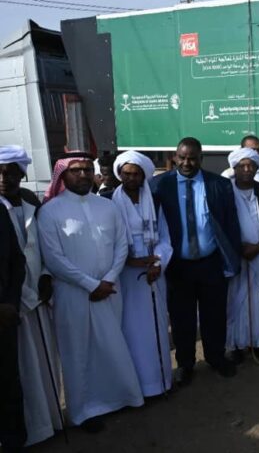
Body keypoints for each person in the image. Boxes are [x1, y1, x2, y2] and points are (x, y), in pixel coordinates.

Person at [38, 152, 143, 432]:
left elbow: (121, 245)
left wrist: (107, 279)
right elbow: (54, 258)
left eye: (87, 170)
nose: (83, 175)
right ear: (63, 175)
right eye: (76, 171)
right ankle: (83, 412)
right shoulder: (50, 211)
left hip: (110, 290)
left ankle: (120, 398)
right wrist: (90, 284)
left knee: (111, 346)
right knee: (78, 352)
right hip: (73, 294)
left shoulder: (108, 206)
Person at [151, 137, 242, 384]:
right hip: (178, 265)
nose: (186, 163)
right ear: (175, 157)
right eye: (182, 158)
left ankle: (216, 357)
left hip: (211, 262)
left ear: (201, 158)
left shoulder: (219, 184)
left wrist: (232, 258)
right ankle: (185, 364)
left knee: (215, 314)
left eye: (192, 158)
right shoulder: (159, 186)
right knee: (182, 318)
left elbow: (231, 224)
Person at [0, 146, 62, 447]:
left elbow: (47, 247)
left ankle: (51, 421)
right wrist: (21, 297)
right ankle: (29, 430)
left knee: (46, 363)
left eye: (11, 172)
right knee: (20, 371)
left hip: (39, 296)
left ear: (21, 175)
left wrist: (47, 276)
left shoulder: (31, 203)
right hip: (13, 305)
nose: (4, 178)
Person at [112, 151, 173, 398]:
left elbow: (165, 238)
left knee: (157, 327)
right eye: (126, 173)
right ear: (120, 175)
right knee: (132, 330)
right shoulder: (109, 201)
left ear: (143, 176)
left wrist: (158, 263)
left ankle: (161, 382)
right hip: (126, 276)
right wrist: (129, 260)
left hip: (154, 272)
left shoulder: (155, 201)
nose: (131, 178)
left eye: (136, 174)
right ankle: (138, 387)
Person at [225, 148, 259, 363]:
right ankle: (236, 344)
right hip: (235, 256)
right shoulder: (226, 190)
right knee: (235, 301)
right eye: (242, 166)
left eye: (251, 165)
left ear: (256, 168)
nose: (247, 169)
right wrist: (238, 248)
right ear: (234, 168)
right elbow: (222, 222)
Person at [0, 193, 26, 452]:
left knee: (8, 382)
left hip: (5, 315)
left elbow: (17, 261)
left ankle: (13, 442)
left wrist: (10, 303)